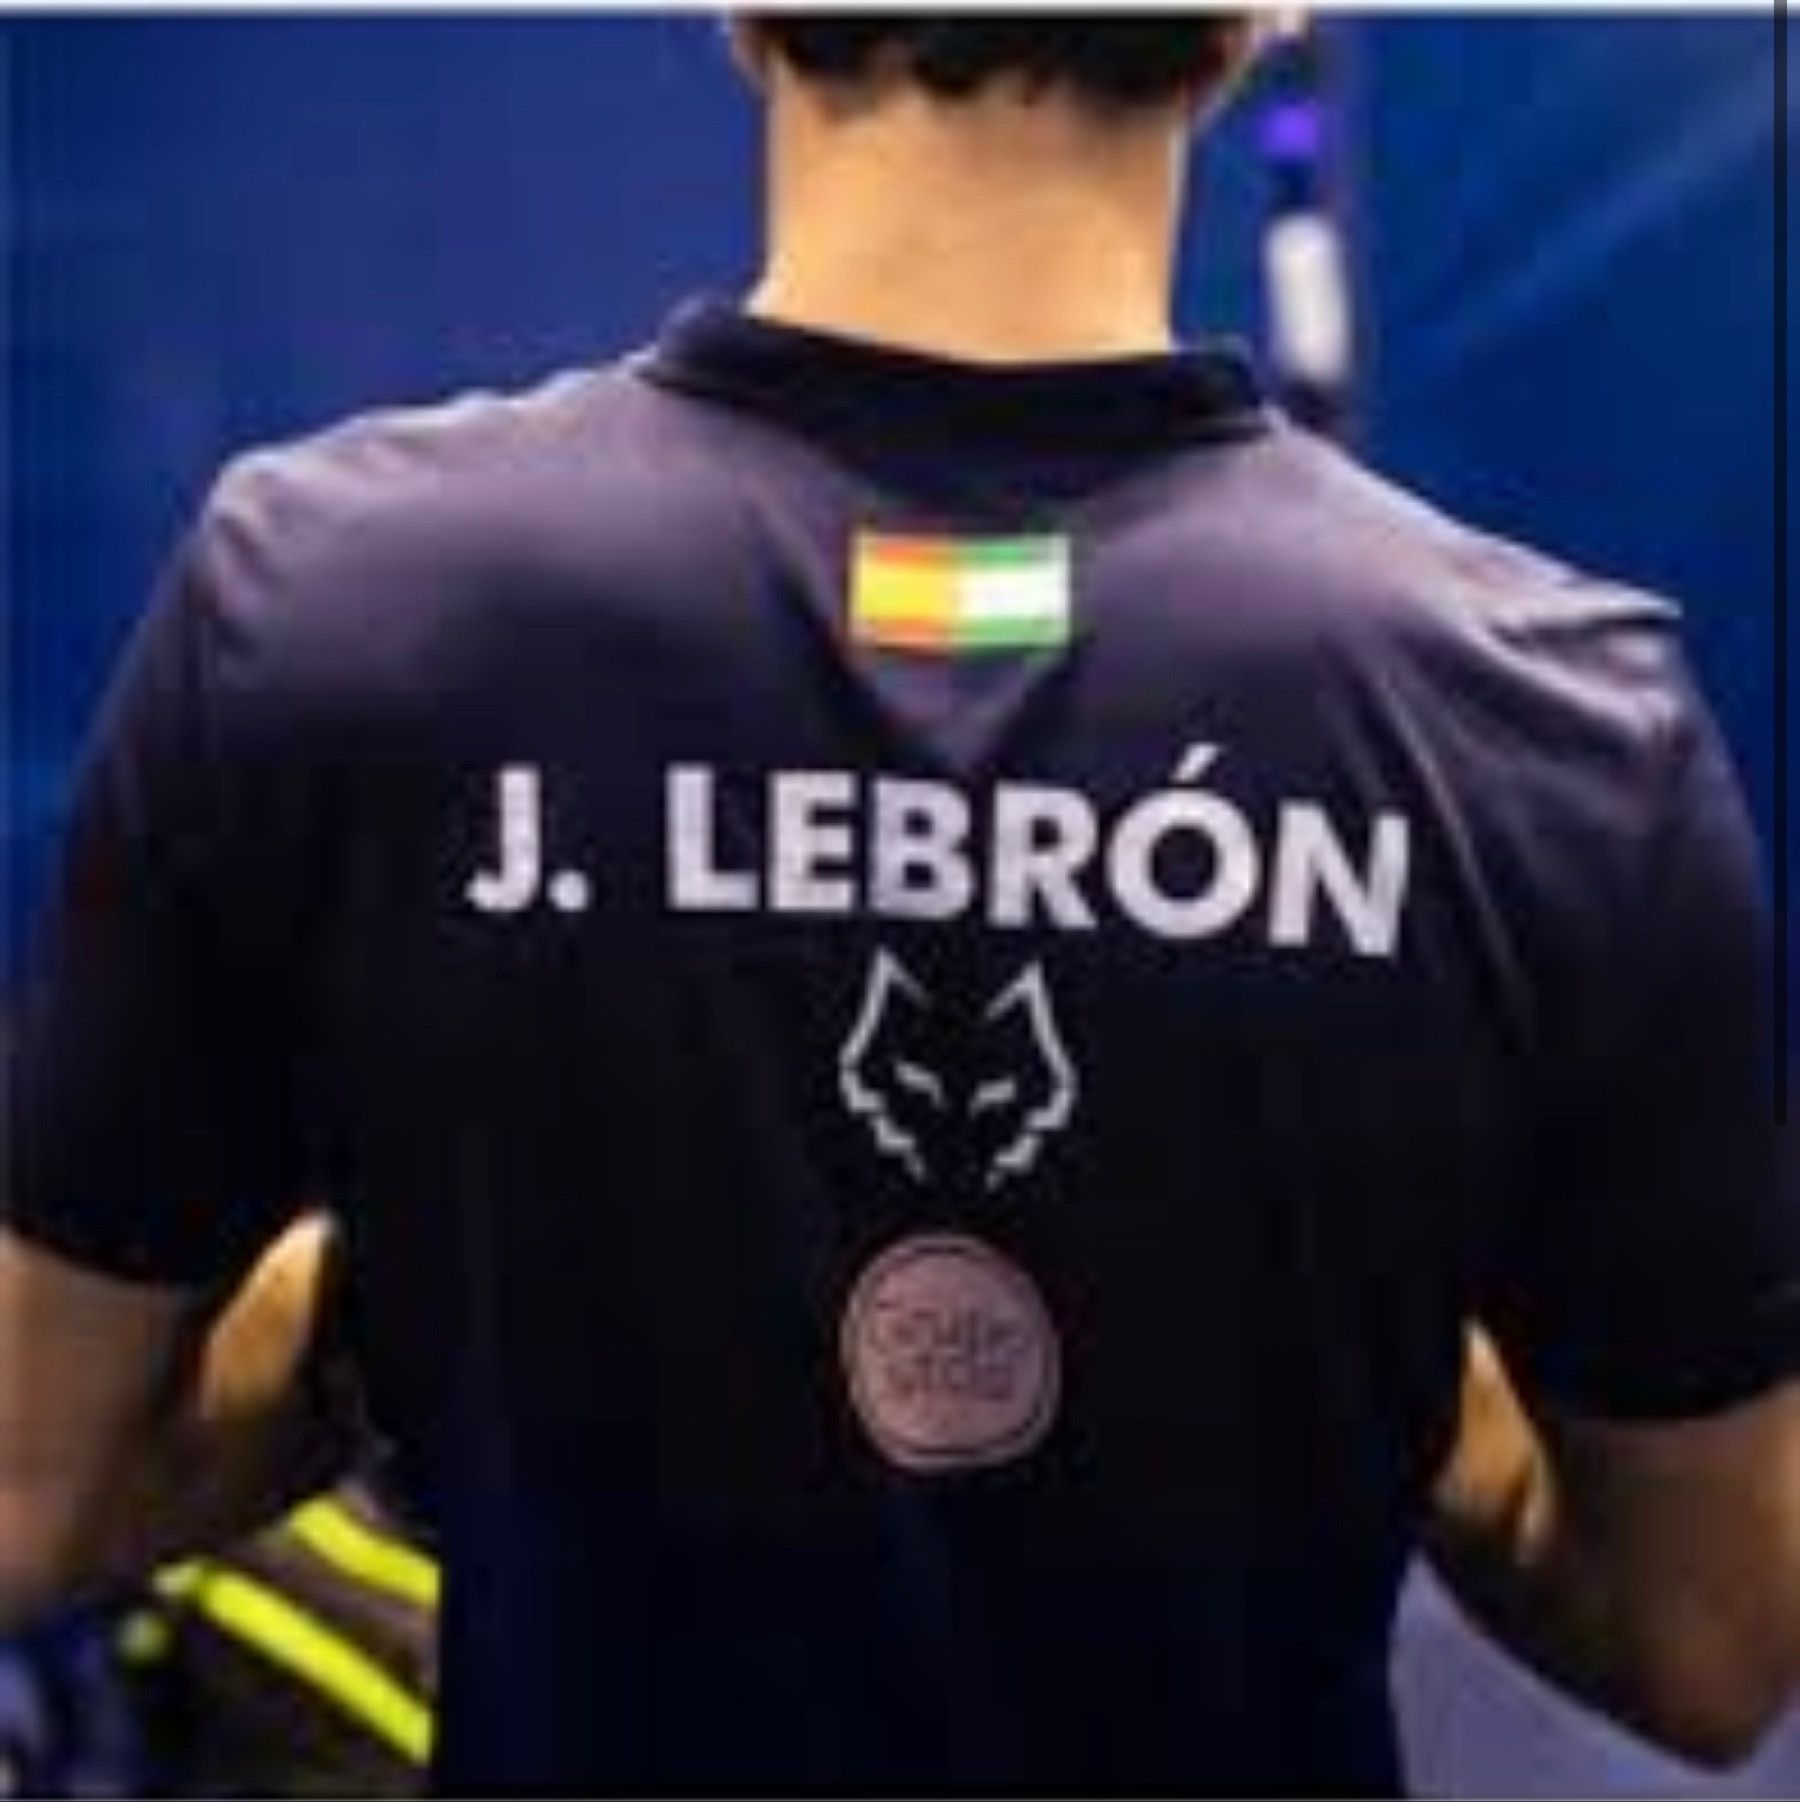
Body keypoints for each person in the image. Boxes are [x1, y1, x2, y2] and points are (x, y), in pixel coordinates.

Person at [3, 14, 1797, 1793]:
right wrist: (1403, 1374)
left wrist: (376, 1319)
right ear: (1258, 23)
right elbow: (1713, 1635)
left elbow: (33, 1480)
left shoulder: (331, 608)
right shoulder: (1548, 727)